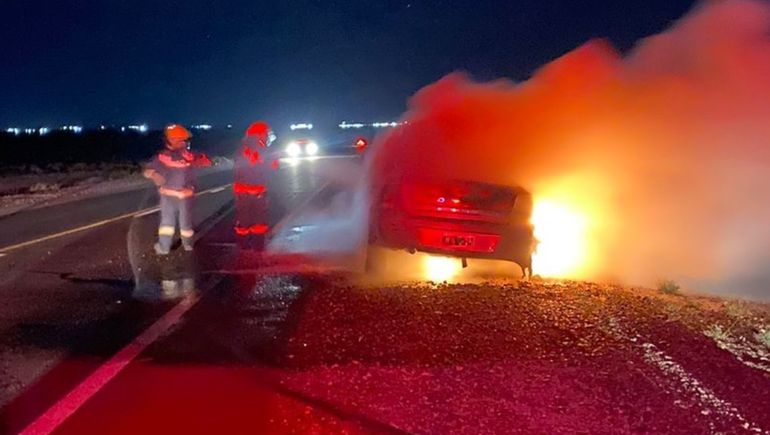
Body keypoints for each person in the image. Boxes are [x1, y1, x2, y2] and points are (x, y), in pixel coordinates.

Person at [143, 124, 211, 255]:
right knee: (184, 221)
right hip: (184, 195)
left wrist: (152, 174)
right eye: (182, 140)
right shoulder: (186, 156)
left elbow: (149, 171)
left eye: (185, 140)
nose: (185, 143)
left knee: (168, 222)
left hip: (169, 194)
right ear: (173, 140)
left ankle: (164, 248)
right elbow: (202, 165)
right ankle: (188, 245)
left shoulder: (164, 156)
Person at [233, 121, 278, 249]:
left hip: (242, 190)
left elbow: (238, 167)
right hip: (258, 189)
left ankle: (243, 247)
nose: (267, 137)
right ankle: (258, 247)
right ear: (261, 134)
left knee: (244, 219)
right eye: (266, 134)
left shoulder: (241, 147)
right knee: (259, 219)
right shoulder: (263, 149)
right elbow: (272, 168)